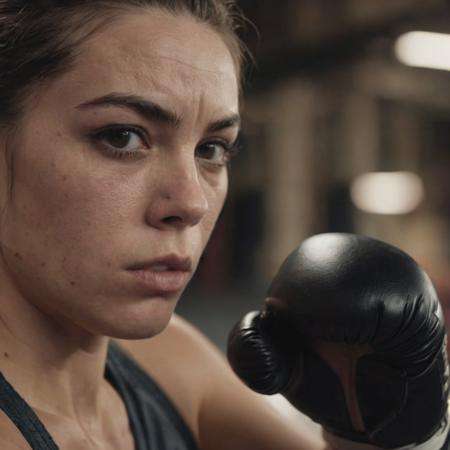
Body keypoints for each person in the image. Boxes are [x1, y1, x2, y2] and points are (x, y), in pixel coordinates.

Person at [0, 1, 447, 449]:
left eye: (212, 149)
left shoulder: (168, 363)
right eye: (123, 136)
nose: (192, 202)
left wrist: (390, 432)